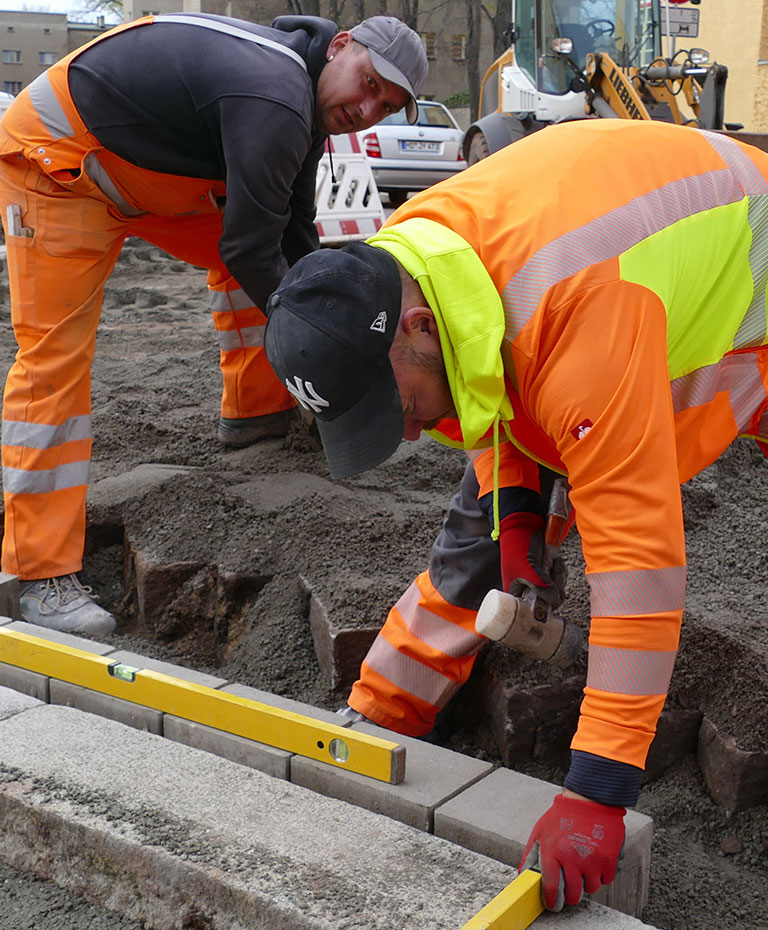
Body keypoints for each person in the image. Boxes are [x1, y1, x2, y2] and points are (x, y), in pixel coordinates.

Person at [263, 118, 768, 912]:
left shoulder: (579, 314)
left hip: (745, 267)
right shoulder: (407, 257)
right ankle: (381, 713)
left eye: (391, 405)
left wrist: (599, 791)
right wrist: (518, 509)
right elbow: (489, 380)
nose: (401, 432)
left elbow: (639, 556)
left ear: (417, 329)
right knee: (483, 528)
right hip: (613, 286)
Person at [0, 12, 427, 634]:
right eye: (369, 84)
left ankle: (258, 416)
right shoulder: (275, 96)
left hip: (144, 174)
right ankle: (37, 575)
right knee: (55, 359)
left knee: (266, 262)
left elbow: (290, 231)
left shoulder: (307, 105)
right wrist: (322, 345)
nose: (369, 109)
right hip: (59, 164)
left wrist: (328, 325)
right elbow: (252, 249)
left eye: (386, 105)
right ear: (340, 48)